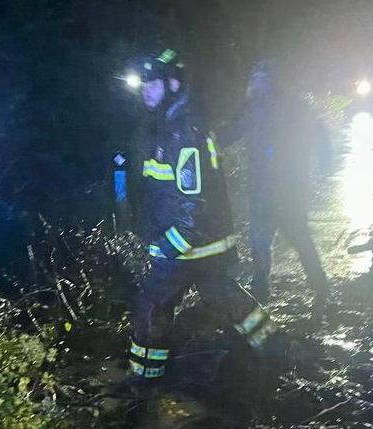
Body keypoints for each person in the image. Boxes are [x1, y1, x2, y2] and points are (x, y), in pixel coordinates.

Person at [125, 50, 280, 383]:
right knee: (222, 292)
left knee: (152, 302)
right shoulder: (173, 123)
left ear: (173, 83)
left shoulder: (180, 132)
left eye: (152, 83)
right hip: (209, 243)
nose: (145, 91)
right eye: (143, 85)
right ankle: (275, 346)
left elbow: (192, 202)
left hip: (189, 244)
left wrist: (169, 245)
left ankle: (145, 379)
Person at [226, 60, 330, 315]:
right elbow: (231, 133)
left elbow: (318, 134)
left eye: (259, 79)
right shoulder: (265, 107)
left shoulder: (263, 108)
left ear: (269, 81)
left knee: (287, 239)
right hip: (275, 190)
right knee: (266, 241)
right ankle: (270, 288)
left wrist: (325, 164)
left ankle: (313, 288)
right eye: (254, 79)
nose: (254, 84)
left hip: (279, 191)